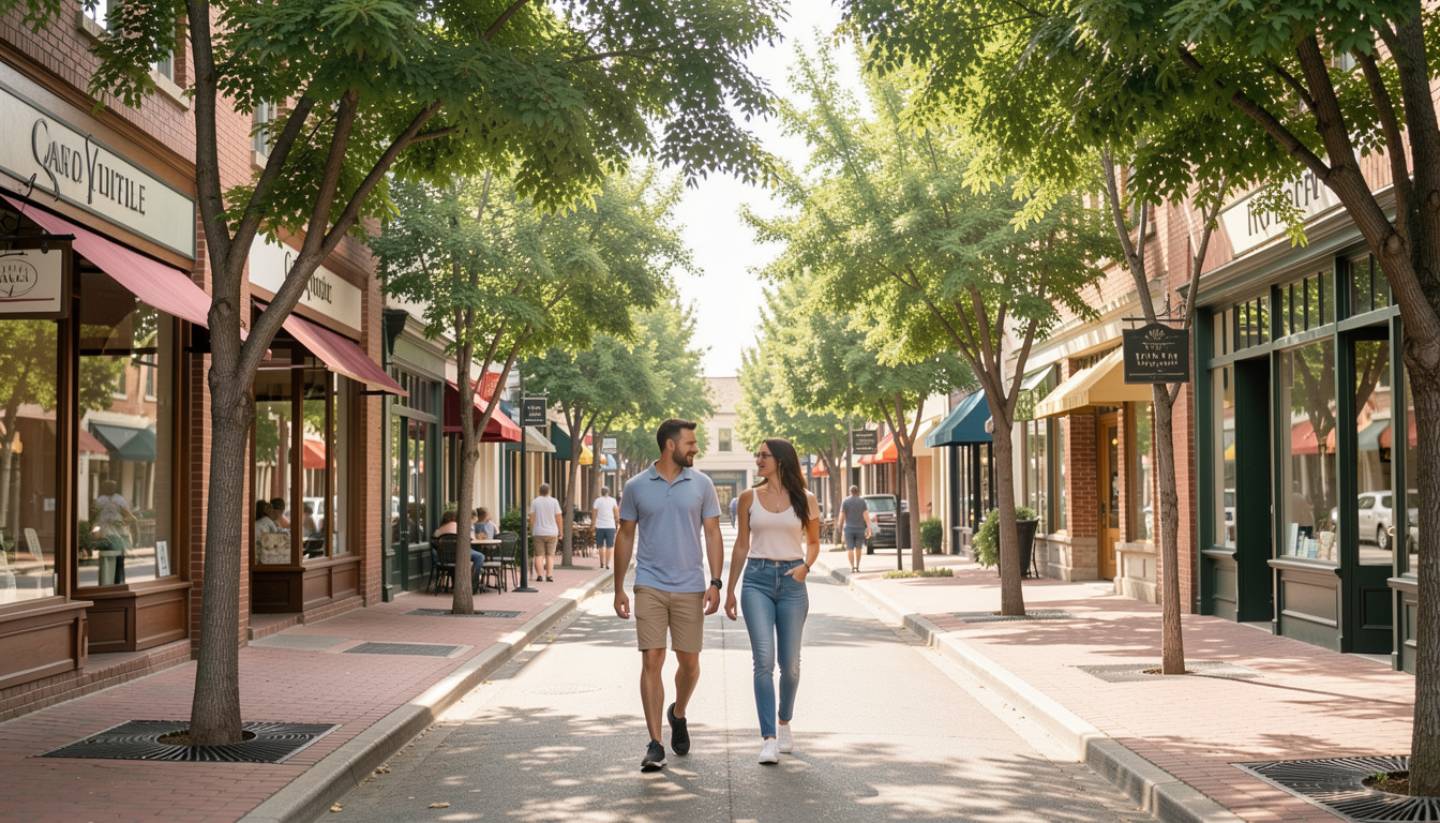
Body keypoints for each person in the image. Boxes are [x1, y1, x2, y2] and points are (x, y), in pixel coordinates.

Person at [613, 419, 723, 772]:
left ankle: (678, 712)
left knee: (689, 663)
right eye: (690, 443)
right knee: (651, 660)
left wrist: (716, 582)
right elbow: (625, 536)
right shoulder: (636, 486)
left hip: (691, 585)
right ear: (670, 446)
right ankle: (655, 742)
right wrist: (618, 588)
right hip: (649, 584)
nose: (695, 448)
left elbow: (713, 533)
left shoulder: (703, 484)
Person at [724, 438, 820, 764]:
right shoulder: (748, 497)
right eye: (757, 455)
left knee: (790, 666)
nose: (758, 459)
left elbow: (814, 542)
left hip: (793, 583)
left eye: (764, 455)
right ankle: (767, 738)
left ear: (780, 460)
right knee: (763, 661)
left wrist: (805, 568)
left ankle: (784, 722)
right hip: (756, 580)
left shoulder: (805, 499)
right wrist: (729, 590)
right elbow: (740, 546)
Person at [94, 480, 138, 585]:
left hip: (106, 536)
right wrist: (121, 522)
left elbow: (93, 518)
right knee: (118, 562)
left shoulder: (100, 501)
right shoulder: (119, 500)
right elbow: (131, 518)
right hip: (116, 537)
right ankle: (118, 585)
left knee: (106, 563)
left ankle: (106, 585)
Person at [434, 510, 486, 575]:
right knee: (480, 557)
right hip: (459, 554)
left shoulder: (439, 529)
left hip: (443, 559)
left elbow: (435, 541)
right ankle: (473, 580)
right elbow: (468, 539)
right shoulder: (458, 526)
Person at [529, 484, 563, 583]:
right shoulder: (554, 501)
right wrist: (561, 532)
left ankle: (539, 575)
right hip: (552, 532)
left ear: (539, 491)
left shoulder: (535, 502)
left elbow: (531, 518)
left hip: (538, 532)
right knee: (550, 555)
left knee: (539, 555)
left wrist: (532, 530)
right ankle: (549, 575)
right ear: (549, 491)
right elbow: (559, 518)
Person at [838, 485, 871, 573]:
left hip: (848, 529)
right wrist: (869, 528)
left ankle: (852, 567)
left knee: (850, 549)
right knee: (859, 548)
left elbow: (842, 516)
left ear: (850, 492)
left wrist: (840, 529)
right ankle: (858, 566)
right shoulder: (862, 501)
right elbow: (866, 516)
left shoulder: (845, 501)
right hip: (860, 529)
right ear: (858, 492)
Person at [592, 486, 620, 570]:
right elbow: (616, 513)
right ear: (609, 492)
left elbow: (594, 513)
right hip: (610, 526)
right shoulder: (613, 500)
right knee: (610, 546)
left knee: (600, 545)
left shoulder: (597, 501)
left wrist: (593, 524)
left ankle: (602, 563)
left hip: (599, 526)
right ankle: (608, 564)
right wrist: (617, 522)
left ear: (601, 492)